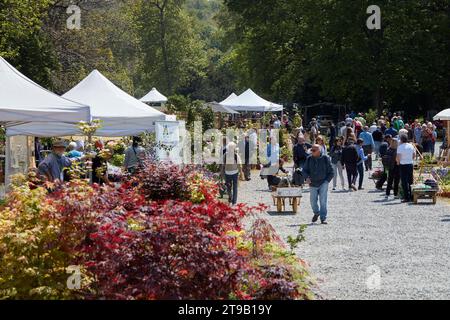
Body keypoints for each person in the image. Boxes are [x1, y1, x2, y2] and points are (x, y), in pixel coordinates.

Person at [302, 144, 334, 224]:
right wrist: (307, 177)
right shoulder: (309, 159)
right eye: (311, 150)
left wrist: (327, 181)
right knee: (313, 201)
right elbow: (304, 170)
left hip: (323, 182)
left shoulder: (325, 158)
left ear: (319, 151)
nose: (312, 151)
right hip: (312, 183)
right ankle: (316, 212)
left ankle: (323, 218)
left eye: (314, 150)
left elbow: (331, 171)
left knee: (323, 201)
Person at [396, 135, 416, 203]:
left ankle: (406, 197)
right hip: (410, 164)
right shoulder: (411, 146)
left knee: (404, 182)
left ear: (401, 140)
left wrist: (398, 163)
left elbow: (398, 157)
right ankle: (412, 196)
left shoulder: (400, 147)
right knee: (411, 181)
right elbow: (414, 155)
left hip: (403, 165)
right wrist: (411, 160)